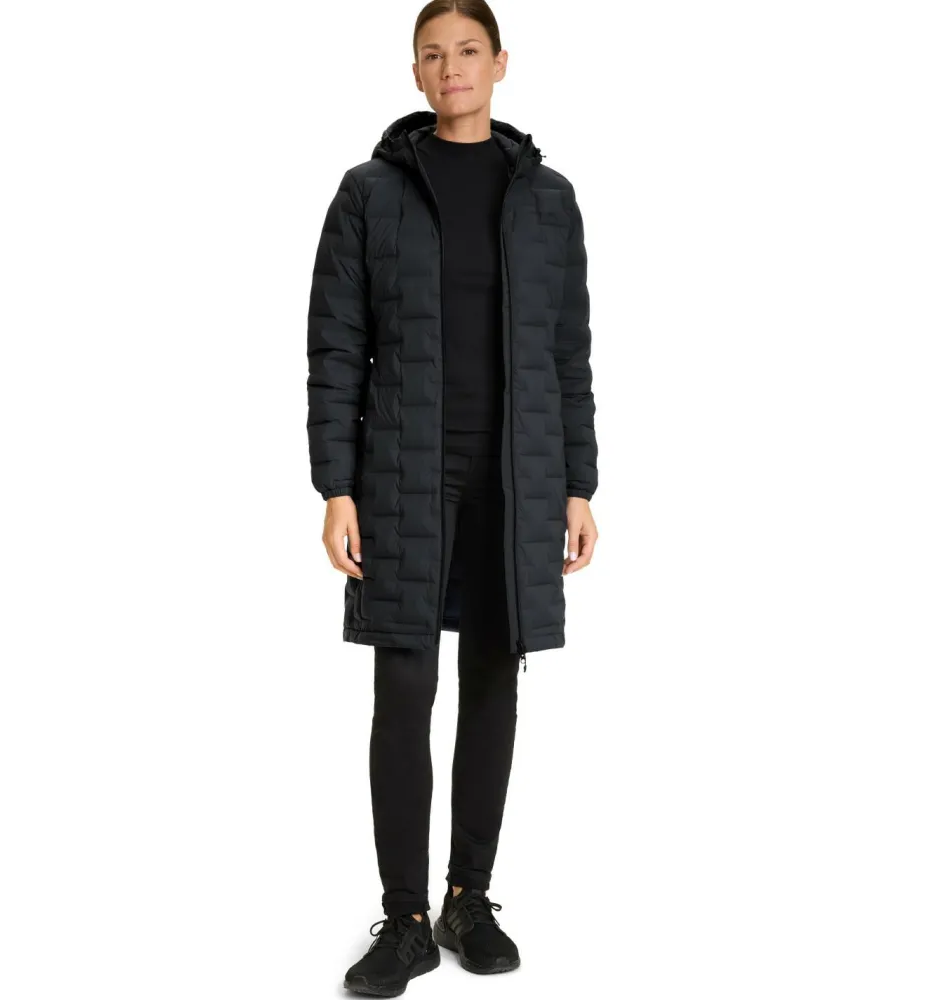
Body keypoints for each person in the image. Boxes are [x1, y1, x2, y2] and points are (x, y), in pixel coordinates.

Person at [306, 2, 599, 994]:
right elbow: (336, 347)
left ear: (500, 63)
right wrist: (337, 486)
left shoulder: (548, 200)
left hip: (515, 477)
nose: (451, 68)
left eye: (468, 50)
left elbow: (568, 355)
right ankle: (406, 918)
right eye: (432, 55)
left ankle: (469, 898)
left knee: (493, 683)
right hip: (402, 475)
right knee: (403, 690)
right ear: (416, 73)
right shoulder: (370, 193)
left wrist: (577, 484)